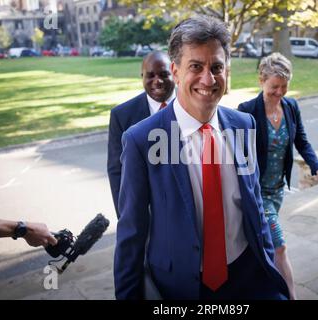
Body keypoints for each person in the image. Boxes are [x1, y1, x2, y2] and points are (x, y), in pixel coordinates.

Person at [114, 15, 290, 300]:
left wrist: (269, 264)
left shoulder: (244, 124)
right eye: (196, 66)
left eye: (217, 67)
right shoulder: (141, 140)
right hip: (181, 287)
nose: (208, 79)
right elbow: (131, 234)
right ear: (176, 71)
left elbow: (255, 207)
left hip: (249, 278)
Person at [238, 52, 318, 299]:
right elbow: (238, 157)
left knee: (264, 243)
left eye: (284, 87)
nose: (279, 92)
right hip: (256, 193)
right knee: (279, 246)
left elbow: (302, 140)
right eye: (274, 87)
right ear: (261, 80)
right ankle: (290, 295)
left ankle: (258, 284)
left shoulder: (291, 107)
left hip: (278, 189)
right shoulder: (247, 111)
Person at [107, 51, 176, 218]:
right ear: (142, 77)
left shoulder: (193, 106)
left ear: (174, 73)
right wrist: (126, 217)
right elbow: (117, 171)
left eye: (164, 74)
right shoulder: (122, 115)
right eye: (150, 76)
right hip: (146, 212)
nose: (157, 81)